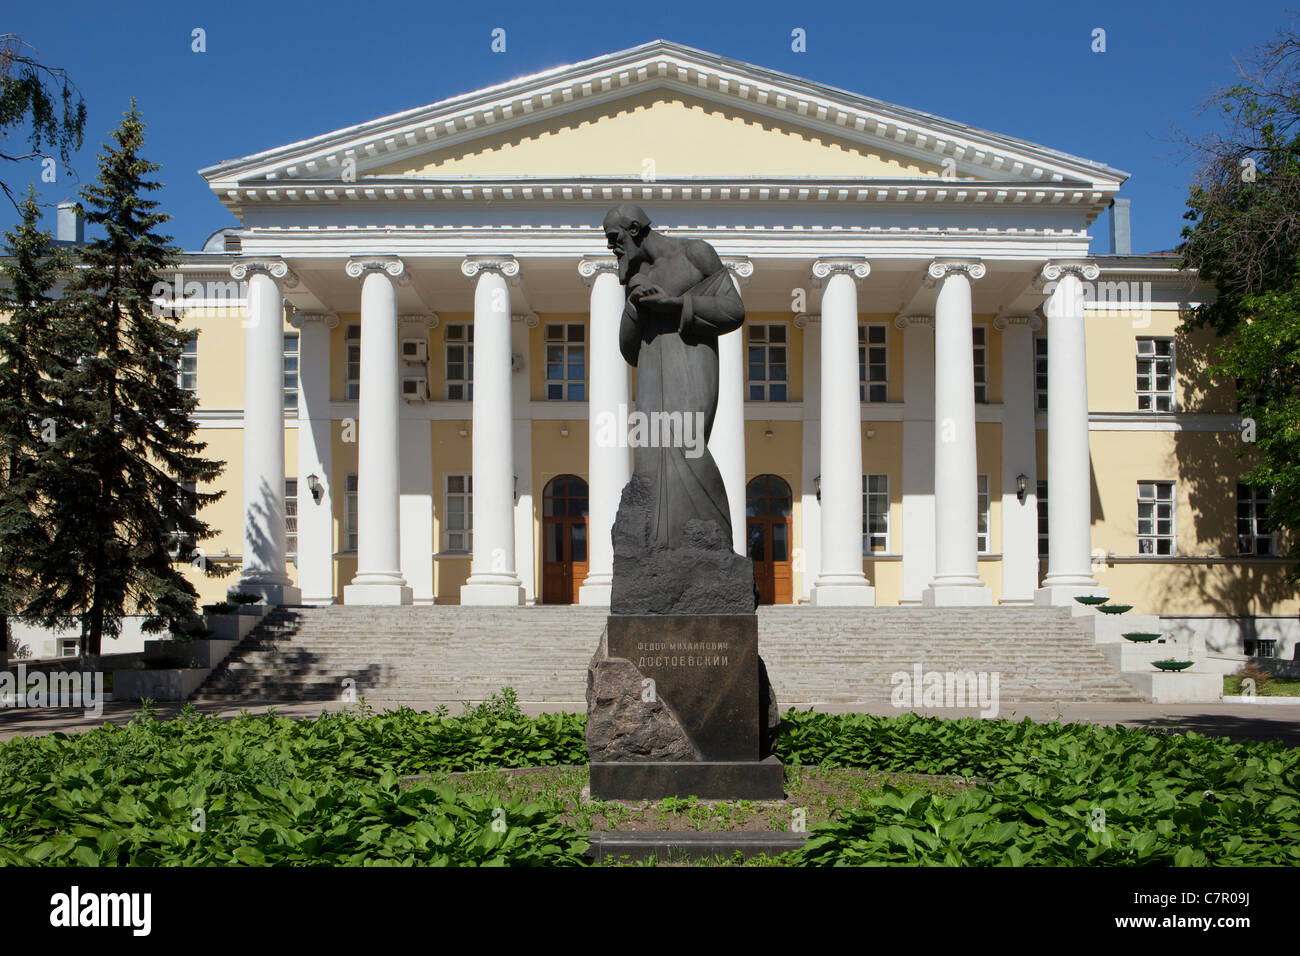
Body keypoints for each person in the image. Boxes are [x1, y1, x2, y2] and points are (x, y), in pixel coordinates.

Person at [602, 204, 744, 550]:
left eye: (614, 238)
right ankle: (658, 548)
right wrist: (635, 308)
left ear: (634, 229)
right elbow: (628, 349)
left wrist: (677, 306)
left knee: (686, 444)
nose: (612, 247)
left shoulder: (695, 253)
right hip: (651, 369)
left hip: (691, 361)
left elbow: (733, 310)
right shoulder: (638, 275)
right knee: (651, 456)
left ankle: (711, 544)